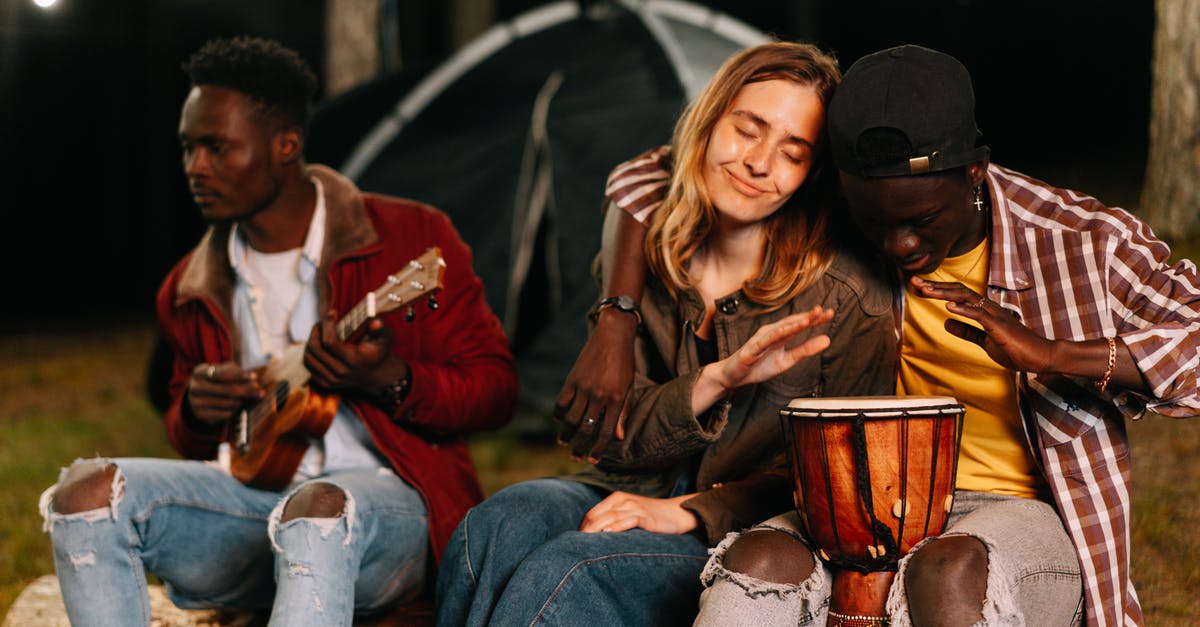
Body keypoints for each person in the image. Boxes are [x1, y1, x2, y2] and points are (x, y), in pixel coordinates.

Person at [597, 44, 1200, 627]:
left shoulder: (1082, 243)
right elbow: (656, 172)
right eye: (874, 223)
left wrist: (1050, 354)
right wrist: (617, 317)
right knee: (757, 563)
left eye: (922, 221)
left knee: (945, 571)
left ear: (974, 172)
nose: (898, 247)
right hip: (855, 504)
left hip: (1019, 517)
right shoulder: (826, 206)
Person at [39, 36, 518, 625]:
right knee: (85, 493)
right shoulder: (190, 285)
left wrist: (389, 377)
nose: (196, 168)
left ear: (285, 145)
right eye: (188, 148)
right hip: (247, 510)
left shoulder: (409, 238)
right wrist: (194, 410)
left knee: (314, 512)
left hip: (386, 516)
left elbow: (496, 392)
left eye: (218, 148)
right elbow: (189, 439)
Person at [433, 41, 897, 626]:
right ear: (709, 123)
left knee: (569, 570)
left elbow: (841, 482)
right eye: (747, 129)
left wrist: (687, 511)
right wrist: (712, 382)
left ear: (813, 174)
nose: (758, 163)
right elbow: (614, 438)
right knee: (494, 525)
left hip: (748, 531)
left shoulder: (849, 297)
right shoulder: (649, 255)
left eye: (792, 152)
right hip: (626, 485)